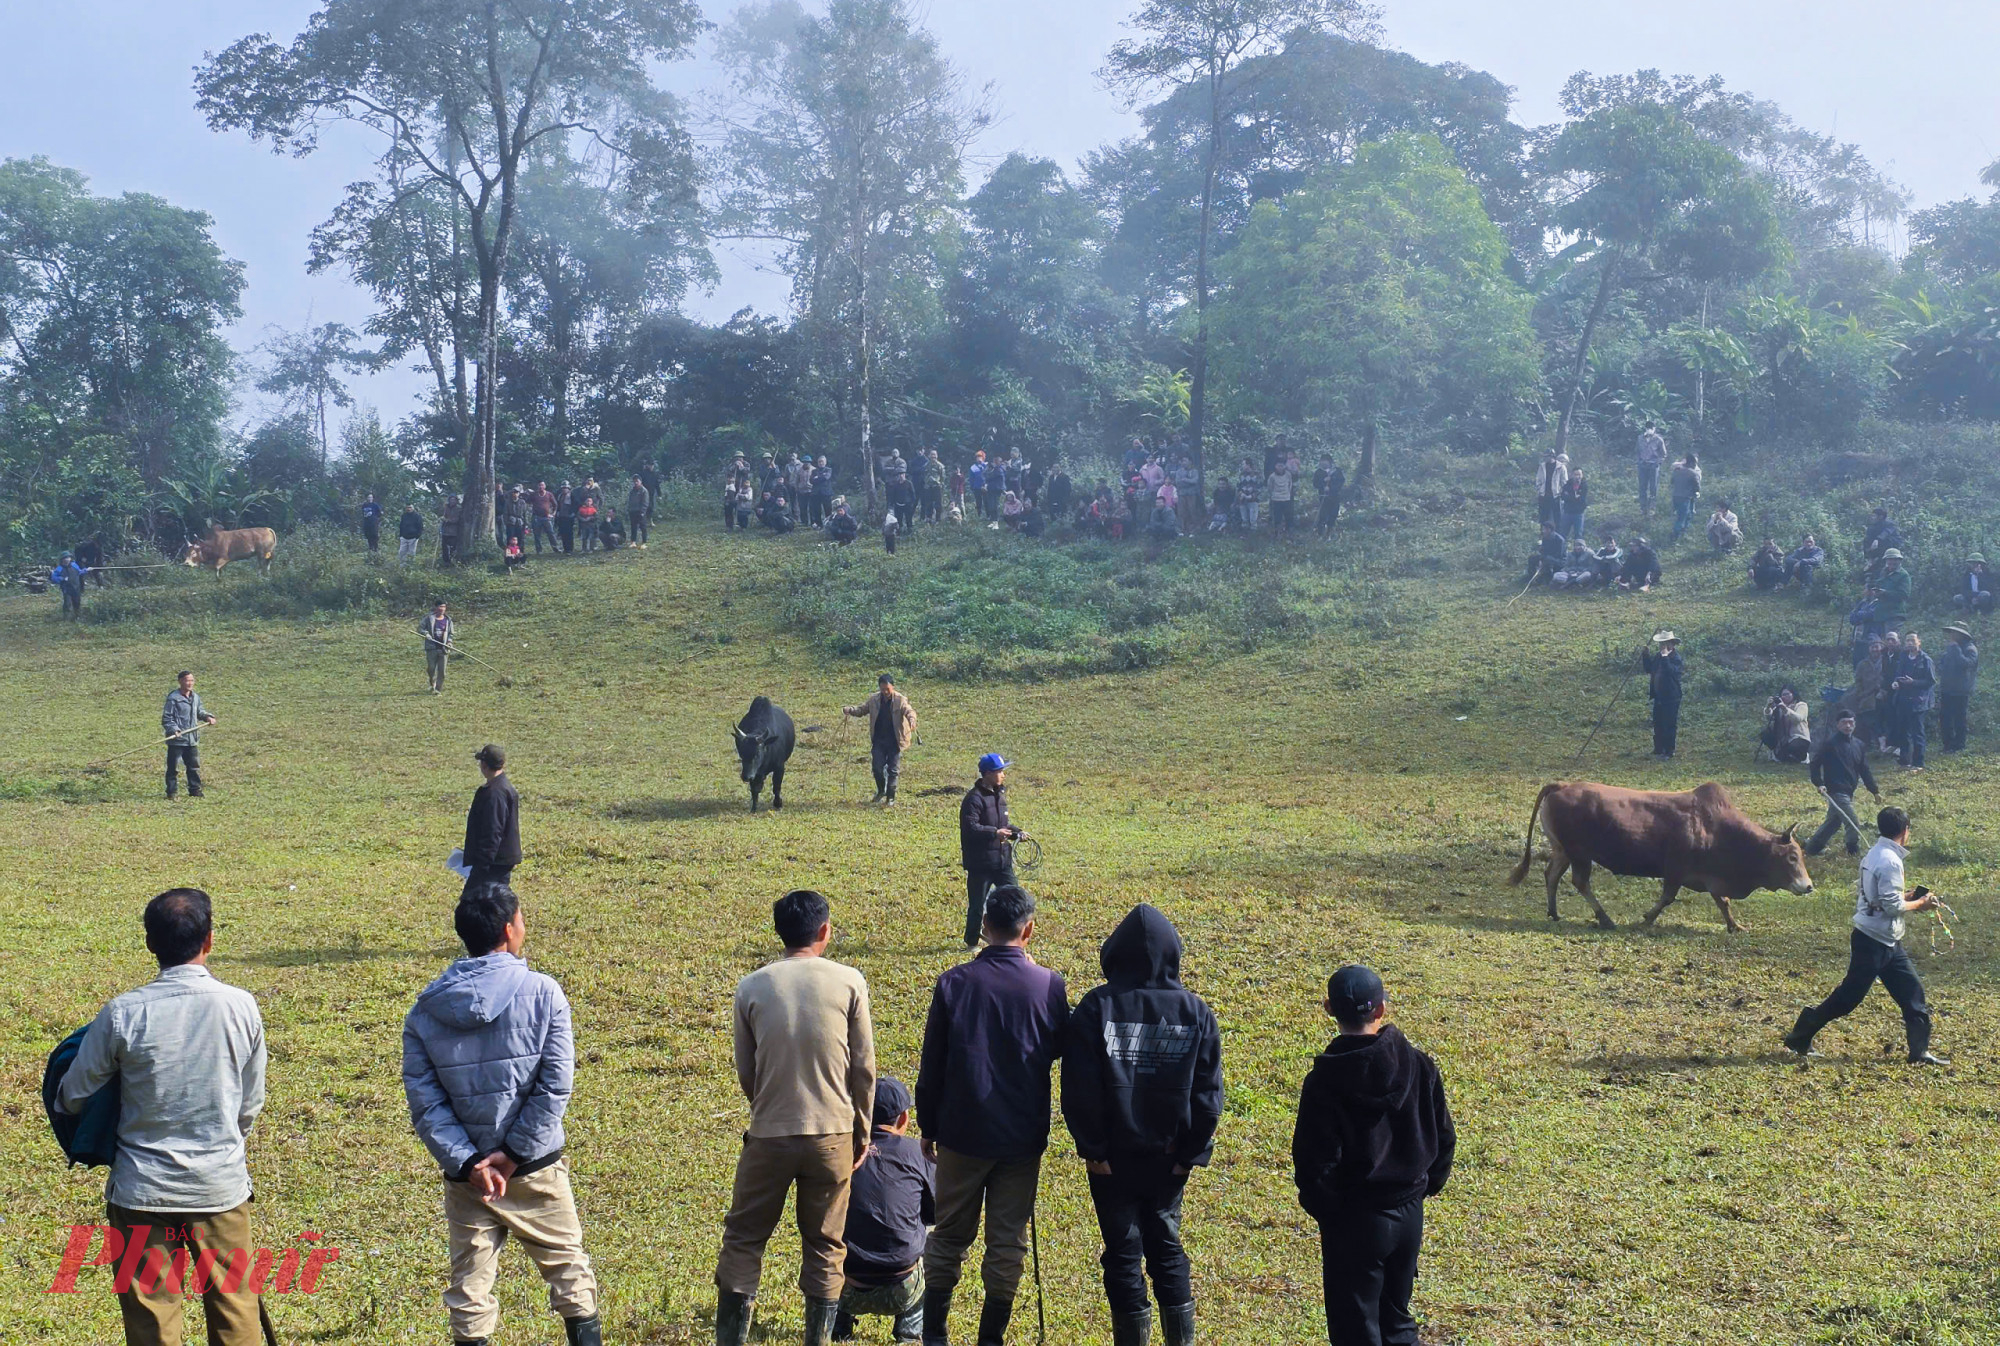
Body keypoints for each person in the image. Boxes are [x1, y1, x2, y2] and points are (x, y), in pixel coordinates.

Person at [57, 888, 271, 1346]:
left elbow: (72, 1095)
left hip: (141, 1193)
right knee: (237, 1317)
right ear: (209, 940)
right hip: (219, 1190)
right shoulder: (242, 1006)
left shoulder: (121, 1014)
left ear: (150, 944)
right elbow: (249, 1104)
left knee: (151, 1324)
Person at [403, 884, 602, 1346]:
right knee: (570, 1275)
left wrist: (470, 1163)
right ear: (510, 929)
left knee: (470, 1291)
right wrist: (513, 1155)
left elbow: (425, 1102)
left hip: (469, 1180)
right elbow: (556, 1085)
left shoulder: (424, 1012)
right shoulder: (544, 993)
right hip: (535, 1171)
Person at [715, 890, 876, 1346]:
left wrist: (767, 1107)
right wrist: (861, 1130)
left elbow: (747, 1071)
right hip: (834, 1133)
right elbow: (863, 1067)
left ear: (779, 931)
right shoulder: (849, 981)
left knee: (745, 1238)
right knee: (825, 1245)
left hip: (769, 1132)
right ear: (824, 931)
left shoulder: (751, 986)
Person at [1062, 904, 1222, 1346]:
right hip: (1169, 1160)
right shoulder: (1196, 1011)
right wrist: (1189, 1155)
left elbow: (1079, 1088)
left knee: (1122, 1254)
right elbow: (1209, 1096)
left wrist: (1093, 1149)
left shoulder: (1098, 1007)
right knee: (1167, 1250)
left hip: (1111, 1161)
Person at [917, 884, 1069, 1346]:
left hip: (962, 1133)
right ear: (1030, 930)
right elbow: (1060, 1049)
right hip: (1021, 1138)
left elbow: (933, 1065)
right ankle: (990, 1339)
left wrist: (929, 1126)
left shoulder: (954, 982)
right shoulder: (1049, 984)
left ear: (984, 928)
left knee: (948, 1236)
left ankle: (935, 1336)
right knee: (1007, 1242)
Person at [1293, 965, 1455, 1346]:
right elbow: (1444, 1136)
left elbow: (1313, 1163)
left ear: (1328, 1009)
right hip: (1409, 1213)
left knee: (1356, 1331)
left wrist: (1333, 1214)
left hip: (1356, 1219)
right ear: (1382, 1009)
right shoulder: (1418, 1064)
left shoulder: (1325, 1080)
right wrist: (1423, 1187)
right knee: (1397, 1323)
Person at [1785, 807, 1946, 1065]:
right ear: (1905, 831)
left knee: (1912, 993)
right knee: (1848, 998)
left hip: (1885, 940)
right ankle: (1799, 1036)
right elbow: (1892, 907)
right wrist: (1921, 904)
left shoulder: (1874, 853)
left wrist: (1907, 897)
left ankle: (1920, 1052)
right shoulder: (1891, 861)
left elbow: (1876, 898)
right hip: (1875, 942)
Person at [834, 1077, 933, 1342]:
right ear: (903, 1119)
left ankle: (838, 1323)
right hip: (902, 1287)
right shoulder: (916, 1153)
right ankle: (910, 1330)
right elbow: (936, 1214)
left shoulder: (840, 1151)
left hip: (842, 1284)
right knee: (938, 1241)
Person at [958, 754, 1017, 950]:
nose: (1003, 775)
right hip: (981, 864)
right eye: (1000, 771)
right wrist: (995, 833)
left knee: (1014, 898)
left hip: (1002, 861)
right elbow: (971, 828)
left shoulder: (1000, 795)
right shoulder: (973, 799)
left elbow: (1003, 825)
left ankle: (1010, 938)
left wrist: (1016, 833)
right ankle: (971, 942)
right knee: (977, 905)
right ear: (988, 774)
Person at [1806, 710, 1881, 857]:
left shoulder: (1859, 744)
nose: (1848, 726)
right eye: (1844, 723)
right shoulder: (1830, 744)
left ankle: (1812, 848)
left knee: (1834, 822)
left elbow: (1864, 770)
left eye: (1851, 722)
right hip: (1835, 790)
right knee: (1851, 821)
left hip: (1849, 790)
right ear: (1837, 725)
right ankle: (1853, 850)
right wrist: (1819, 783)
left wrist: (1874, 790)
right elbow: (1814, 764)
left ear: (1855, 724)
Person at [845, 674, 917, 806]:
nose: (885, 692)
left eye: (887, 689)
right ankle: (881, 790)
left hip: (895, 740)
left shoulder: (900, 700)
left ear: (892, 687)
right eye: (882, 689)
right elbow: (862, 710)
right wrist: (850, 710)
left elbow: (909, 711)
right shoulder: (874, 699)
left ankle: (891, 796)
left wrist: (912, 720)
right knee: (877, 768)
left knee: (893, 770)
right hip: (879, 740)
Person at [464, 744, 521, 897]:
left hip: (492, 864)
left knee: (474, 903)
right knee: (495, 905)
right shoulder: (502, 787)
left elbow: (493, 830)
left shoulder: (494, 793)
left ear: (484, 765)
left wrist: (481, 866)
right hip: (498, 861)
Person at [162, 670, 218, 799]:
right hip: (177, 739)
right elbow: (167, 718)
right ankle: (172, 792)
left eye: (192, 680)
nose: (190, 683)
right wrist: (174, 729)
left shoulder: (195, 697)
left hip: (192, 738)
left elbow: (200, 711)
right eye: (187, 680)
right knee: (173, 768)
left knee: (193, 766)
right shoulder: (173, 698)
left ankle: (195, 790)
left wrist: (208, 717)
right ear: (180, 681)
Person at [1888, 631, 1936, 770]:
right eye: (1907, 640)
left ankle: (1918, 763)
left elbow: (1930, 681)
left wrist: (1913, 682)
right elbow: (1898, 674)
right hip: (1903, 699)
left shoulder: (1926, 660)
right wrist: (1895, 682)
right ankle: (1904, 761)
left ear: (1919, 642)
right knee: (1903, 732)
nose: (1910, 643)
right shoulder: (1903, 657)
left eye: (1912, 640)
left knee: (1917, 733)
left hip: (1919, 702)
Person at [1938, 622, 1979, 753]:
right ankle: (1948, 744)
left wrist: (1955, 650)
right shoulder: (1951, 648)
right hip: (1947, 688)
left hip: (1961, 690)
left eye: (1954, 633)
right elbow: (1942, 663)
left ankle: (1959, 745)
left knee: (1959, 718)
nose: (1951, 635)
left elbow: (1966, 664)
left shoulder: (1970, 649)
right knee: (1945, 718)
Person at [1643, 632, 1684, 759]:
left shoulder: (1676, 658)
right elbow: (1649, 669)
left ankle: (1669, 751)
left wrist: (1665, 656)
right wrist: (1645, 655)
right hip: (1659, 696)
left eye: (1665, 643)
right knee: (1658, 723)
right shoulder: (1658, 657)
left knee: (1669, 724)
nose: (1663, 646)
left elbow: (1671, 672)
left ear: (1672, 644)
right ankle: (1658, 748)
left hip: (1671, 697)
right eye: (1662, 643)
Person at [1760, 688, 1811, 763]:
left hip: (1798, 737)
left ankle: (1800, 756)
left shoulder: (1801, 705)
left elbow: (1798, 718)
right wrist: (1768, 707)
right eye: (1782, 695)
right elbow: (1770, 717)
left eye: (1787, 694)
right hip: (1783, 739)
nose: (1784, 697)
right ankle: (1780, 754)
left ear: (1793, 694)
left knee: (1794, 747)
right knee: (1765, 734)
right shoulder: (1779, 706)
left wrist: (1785, 709)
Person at [420, 600, 454, 694]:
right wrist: (426, 634)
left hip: (443, 649)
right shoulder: (428, 618)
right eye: (440, 606)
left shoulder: (448, 620)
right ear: (436, 607)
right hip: (432, 648)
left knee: (442, 672)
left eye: (444, 607)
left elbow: (451, 633)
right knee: (431, 668)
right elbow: (421, 628)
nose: (442, 609)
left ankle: (438, 690)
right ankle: (432, 682)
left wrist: (449, 642)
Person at [1669, 453, 1702, 542]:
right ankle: (1676, 535)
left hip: (1675, 496)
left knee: (1682, 515)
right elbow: (1697, 487)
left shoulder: (1677, 471)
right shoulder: (1693, 473)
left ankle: (1682, 532)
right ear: (1691, 463)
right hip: (1686, 498)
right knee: (1682, 517)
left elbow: (1672, 482)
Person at [1533, 449, 1568, 528]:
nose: (1545, 458)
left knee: (1557, 518)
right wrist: (1539, 490)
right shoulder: (1542, 466)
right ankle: (1543, 535)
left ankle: (1558, 535)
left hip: (1555, 496)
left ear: (1551, 456)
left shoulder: (1561, 467)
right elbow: (1538, 479)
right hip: (1543, 496)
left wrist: (1561, 492)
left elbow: (1564, 482)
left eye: (1546, 456)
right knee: (1543, 518)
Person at [1636, 423, 1667, 512]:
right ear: (1645, 428)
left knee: (1653, 487)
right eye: (1648, 428)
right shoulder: (1640, 438)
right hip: (1642, 465)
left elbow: (1663, 454)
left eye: (1651, 428)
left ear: (1654, 429)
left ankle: (1652, 508)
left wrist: (1657, 463)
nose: (1649, 430)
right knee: (1642, 487)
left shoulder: (1658, 439)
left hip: (1653, 466)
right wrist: (1638, 461)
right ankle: (1643, 508)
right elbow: (1637, 451)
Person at [1862, 507, 1903, 573]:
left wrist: (1877, 540)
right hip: (1877, 548)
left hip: (1891, 547)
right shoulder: (1873, 526)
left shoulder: (1890, 524)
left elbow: (1886, 533)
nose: (1872, 517)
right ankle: (1870, 560)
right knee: (1866, 540)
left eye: (1874, 516)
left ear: (1880, 517)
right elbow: (1868, 537)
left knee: (1887, 540)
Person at [52, 550, 89, 618]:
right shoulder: (59, 568)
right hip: (67, 589)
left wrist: (86, 570)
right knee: (67, 603)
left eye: (68, 557)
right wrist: (62, 578)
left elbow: (79, 572)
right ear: (62, 559)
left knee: (77, 602)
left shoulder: (74, 565)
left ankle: (77, 616)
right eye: (65, 558)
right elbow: (53, 578)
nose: (67, 559)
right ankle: (66, 618)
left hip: (76, 587)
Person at [1315, 459, 1345, 535]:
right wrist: (1323, 483)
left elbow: (1341, 483)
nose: (1323, 463)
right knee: (1323, 515)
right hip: (1323, 496)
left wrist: (1331, 487)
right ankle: (1320, 532)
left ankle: (1329, 532)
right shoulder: (1318, 472)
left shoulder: (1337, 471)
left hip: (1335, 496)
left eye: (1325, 461)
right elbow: (1315, 484)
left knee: (1333, 514)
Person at [1266, 458, 1297, 534]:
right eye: (1278, 466)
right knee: (1277, 517)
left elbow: (1290, 484)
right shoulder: (1272, 476)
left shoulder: (1288, 474)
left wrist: (1287, 493)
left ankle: (1289, 532)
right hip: (1276, 499)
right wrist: (1274, 495)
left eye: (1282, 465)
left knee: (1289, 516)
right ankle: (1277, 533)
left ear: (1284, 466)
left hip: (1286, 498)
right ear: (1275, 466)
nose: (1280, 467)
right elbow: (1270, 487)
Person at [1559, 469, 1588, 541]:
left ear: (1582, 475)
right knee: (1563, 534)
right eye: (1575, 474)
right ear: (1572, 475)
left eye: (1579, 474)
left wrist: (1569, 497)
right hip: (1567, 512)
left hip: (1579, 513)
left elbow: (1581, 499)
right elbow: (1563, 496)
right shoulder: (1567, 485)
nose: (1577, 476)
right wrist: (1573, 497)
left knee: (1578, 535)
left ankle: (1577, 550)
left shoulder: (1584, 485)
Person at [530, 481, 558, 553]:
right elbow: (528, 501)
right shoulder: (534, 494)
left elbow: (555, 505)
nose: (541, 487)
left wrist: (553, 514)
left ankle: (555, 548)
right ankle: (539, 550)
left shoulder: (549, 494)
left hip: (547, 517)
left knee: (551, 533)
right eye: (539, 485)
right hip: (536, 517)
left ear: (545, 486)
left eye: (542, 485)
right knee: (537, 534)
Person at [625, 476, 651, 547]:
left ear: (640, 481)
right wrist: (629, 509)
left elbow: (645, 502)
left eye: (637, 481)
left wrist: (642, 512)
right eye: (634, 481)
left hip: (640, 511)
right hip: (632, 511)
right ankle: (633, 542)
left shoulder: (644, 491)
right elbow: (630, 501)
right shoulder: (632, 491)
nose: (635, 483)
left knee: (643, 527)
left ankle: (644, 543)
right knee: (633, 527)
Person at [1235, 459, 1260, 530]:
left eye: (1243, 464)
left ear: (1248, 465)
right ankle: (1244, 533)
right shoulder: (1241, 475)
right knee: (1244, 519)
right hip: (1242, 500)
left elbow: (1259, 488)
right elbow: (1238, 487)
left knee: (1253, 519)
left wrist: (1251, 496)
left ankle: (1254, 536)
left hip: (1253, 500)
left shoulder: (1257, 474)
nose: (1242, 466)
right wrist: (1241, 494)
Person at [441, 493, 464, 565]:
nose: (452, 501)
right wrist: (443, 519)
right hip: (445, 531)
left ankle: (452, 560)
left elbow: (457, 520)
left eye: (454, 500)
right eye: (451, 500)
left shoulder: (458, 509)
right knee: (444, 547)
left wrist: (448, 520)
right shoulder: (446, 508)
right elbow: (442, 515)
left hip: (454, 532)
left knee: (452, 547)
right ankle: (446, 561)